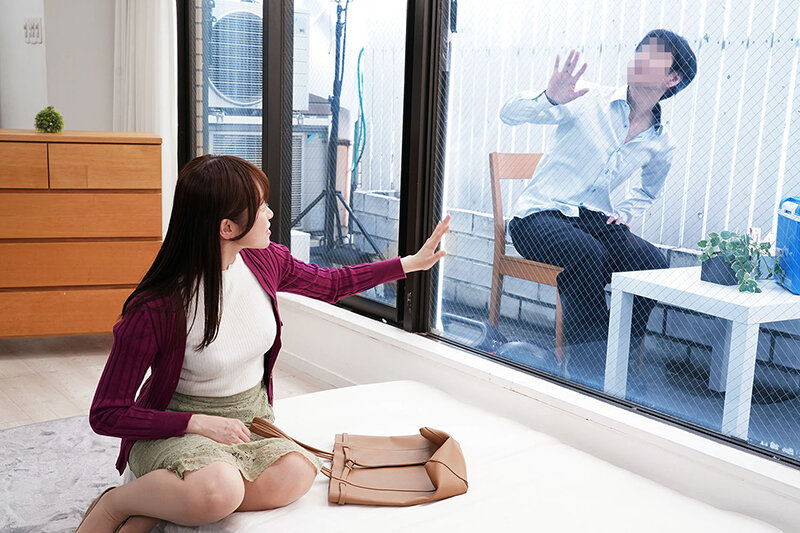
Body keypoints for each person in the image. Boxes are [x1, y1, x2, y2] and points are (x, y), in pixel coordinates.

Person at [77, 154, 450, 532]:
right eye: (260, 208)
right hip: (179, 426)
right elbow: (106, 413)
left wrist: (409, 264)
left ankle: (159, 502)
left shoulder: (264, 261)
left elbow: (331, 284)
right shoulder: (157, 307)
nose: (270, 214)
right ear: (227, 227)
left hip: (250, 420)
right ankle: (116, 502)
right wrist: (197, 423)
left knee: (299, 472)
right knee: (220, 490)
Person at [500, 29, 697, 349]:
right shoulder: (586, 98)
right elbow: (508, 114)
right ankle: (589, 364)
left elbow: (648, 191)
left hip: (593, 220)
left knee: (652, 265)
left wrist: (624, 213)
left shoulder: (662, 141)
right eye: (640, 50)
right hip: (537, 218)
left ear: (672, 78)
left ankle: (617, 354)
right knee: (589, 255)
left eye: (653, 55)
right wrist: (549, 98)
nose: (640, 57)